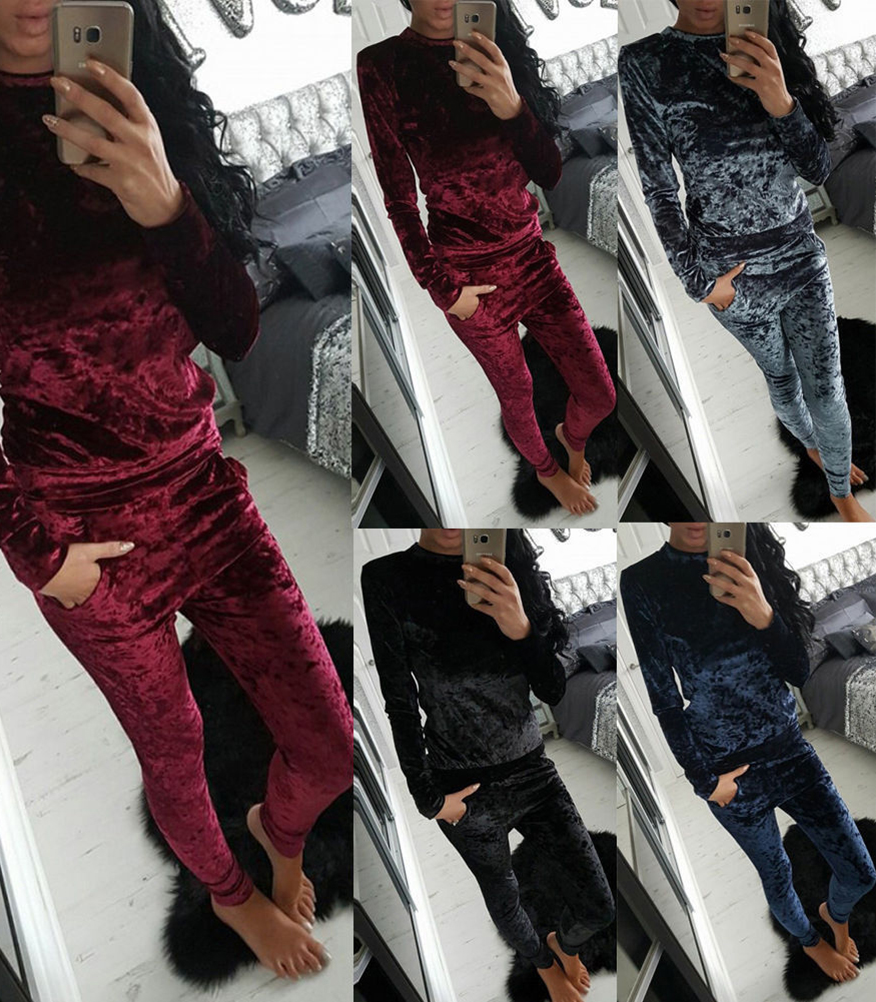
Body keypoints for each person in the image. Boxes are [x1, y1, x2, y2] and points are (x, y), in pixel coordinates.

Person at [0, 0, 353, 980]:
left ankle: (277, 833)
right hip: (79, 531)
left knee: (328, 744)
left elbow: (237, 329)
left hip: (205, 492)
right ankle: (231, 900)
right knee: (173, 748)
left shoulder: (133, 88)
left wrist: (165, 201)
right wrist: (34, 552)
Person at [357, 0, 616, 517]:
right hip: (468, 278)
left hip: (533, 259)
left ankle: (571, 438)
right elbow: (399, 199)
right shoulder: (381, 65)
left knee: (600, 395)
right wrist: (443, 289)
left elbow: (550, 173)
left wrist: (512, 106)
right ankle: (546, 473)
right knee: (517, 394)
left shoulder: (497, 45)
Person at [619, 0, 871, 522]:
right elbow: (659, 188)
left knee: (827, 389)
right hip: (731, 278)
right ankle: (813, 448)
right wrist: (699, 282)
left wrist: (780, 99)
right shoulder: (645, 61)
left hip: (800, 257)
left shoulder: (769, 40)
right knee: (781, 378)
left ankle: (839, 492)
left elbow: (818, 169)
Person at [361, 528, 615, 1002]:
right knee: (504, 897)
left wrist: (521, 627)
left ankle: (564, 944)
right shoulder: (385, 577)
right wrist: (429, 799)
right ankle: (543, 965)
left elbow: (553, 689)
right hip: (463, 788)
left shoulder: (507, 560)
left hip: (535, 772)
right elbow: (399, 700)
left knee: (600, 906)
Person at [620, 522, 876, 985]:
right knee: (776, 874)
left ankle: (834, 915)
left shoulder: (749, 552)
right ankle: (811, 943)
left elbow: (799, 671)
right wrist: (705, 782)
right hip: (728, 773)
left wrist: (765, 615)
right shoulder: (642, 580)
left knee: (861, 873)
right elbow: (664, 699)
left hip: (791, 751)